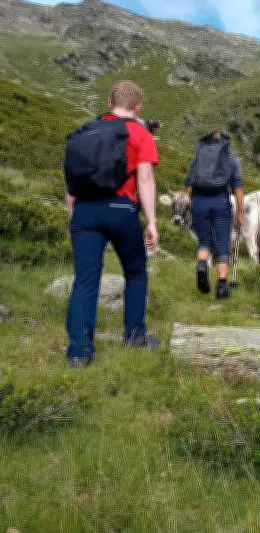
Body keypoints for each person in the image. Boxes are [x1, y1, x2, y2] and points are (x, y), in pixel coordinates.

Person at [63, 80, 161, 368]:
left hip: (84, 212)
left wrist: (73, 213)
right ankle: (134, 337)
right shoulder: (140, 134)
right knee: (135, 273)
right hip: (121, 210)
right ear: (138, 107)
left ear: (109, 103)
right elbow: (145, 180)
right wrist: (152, 222)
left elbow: (71, 179)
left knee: (85, 280)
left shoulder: (84, 133)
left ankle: (80, 353)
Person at [184, 129, 244, 300]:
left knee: (205, 242)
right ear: (225, 142)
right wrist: (240, 212)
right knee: (222, 244)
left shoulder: (197, 158)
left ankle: (202, 265)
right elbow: (238, 188)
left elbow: (189, 186)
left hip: (199, 204)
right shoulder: (231, 159)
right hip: (221, 204)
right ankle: (222, 288)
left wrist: (190, 206)